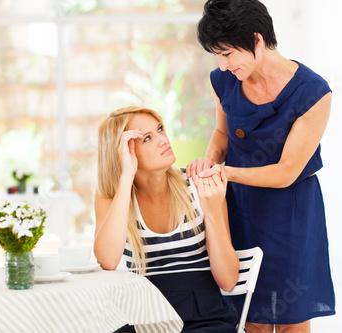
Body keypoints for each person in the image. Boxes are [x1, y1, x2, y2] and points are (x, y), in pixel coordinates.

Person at [186, 0, 336, 332]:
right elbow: (222, 134)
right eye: (217, 56)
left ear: (256, 39)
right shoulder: (222, 81)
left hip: (291, 210)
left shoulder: (313, 92)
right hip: (239, 207)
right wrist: (208, 164)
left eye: (227, 54)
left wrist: (224, 172)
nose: (223, 65)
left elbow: (286, 171)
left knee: (291, 318)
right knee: (247, 314)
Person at [94, 106, 239, 332]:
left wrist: (212, 213)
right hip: (142, 316)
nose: (163, 139)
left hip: (204, 316)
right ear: (122, 153)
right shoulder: (112, 195)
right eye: (148, 138)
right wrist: (126, 177)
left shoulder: (199, 184)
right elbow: (107, 261)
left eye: (160, 129)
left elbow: (228, 280)